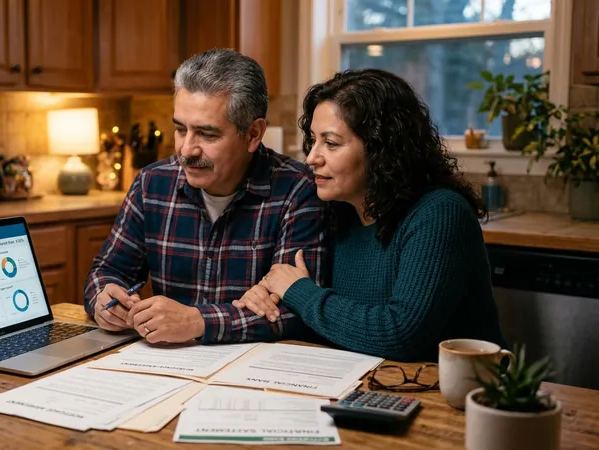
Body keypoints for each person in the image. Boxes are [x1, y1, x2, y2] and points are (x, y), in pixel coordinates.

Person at [234, 68, 507, 362]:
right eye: (313, 140)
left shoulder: (439, 213)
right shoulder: (335, 210)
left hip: (455, 385)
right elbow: (322, 317)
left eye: (331, 143)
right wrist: (265, 300)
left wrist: (299, 292)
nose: (312, 157)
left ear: (381, 149)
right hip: (364, 379)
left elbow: (399, 334)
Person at [84, 48, 326, 345]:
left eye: (207, 134)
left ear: (253, 134)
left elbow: (298, 309)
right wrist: (104, 298)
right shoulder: (152, 184)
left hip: (257, 366)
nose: (187, 150)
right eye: (180, 129)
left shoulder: (298, 190)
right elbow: (107, 270)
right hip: (165, 360)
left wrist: (196, 321)